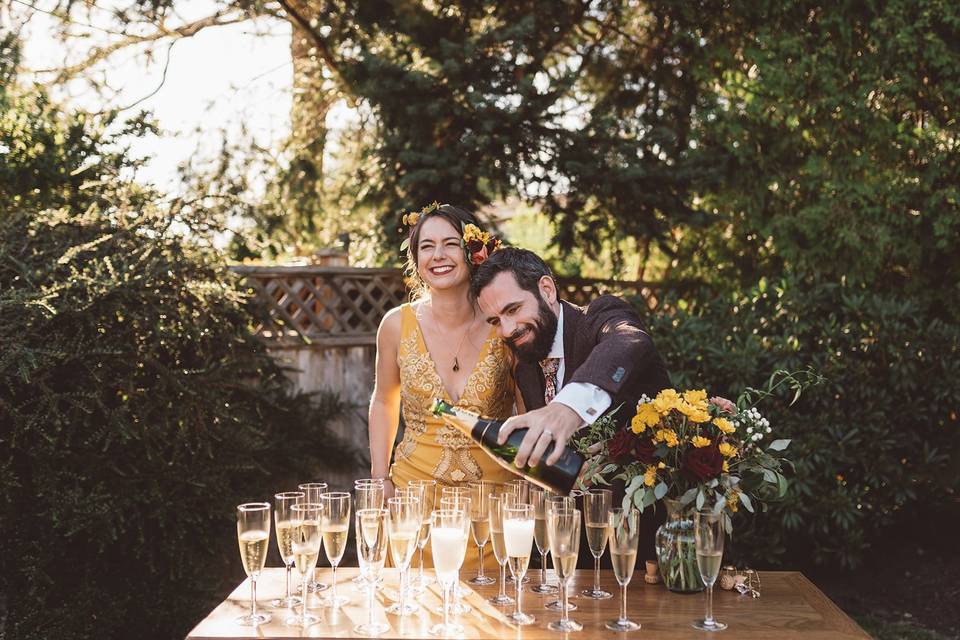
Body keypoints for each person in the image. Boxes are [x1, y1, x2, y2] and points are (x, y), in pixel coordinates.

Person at [470, 246, 671, 566]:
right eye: (495, 320)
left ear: (546, 290)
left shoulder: (599, 318)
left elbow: (631, 340)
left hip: (640, 554)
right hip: (569, 556)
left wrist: (568, 408)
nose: (506, 330)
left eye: (513, 309)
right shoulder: (524, 365)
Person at [368, 203, 515, 569]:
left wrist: (530, 481)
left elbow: (529, 410)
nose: (438, 255)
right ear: (415, 258)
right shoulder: (394, 325)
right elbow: (384, 402)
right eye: (426, 246)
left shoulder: (505, 325)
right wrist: (379, 478)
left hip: (493, 507)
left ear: (472, 251)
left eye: (450, 244)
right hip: (412, 505)